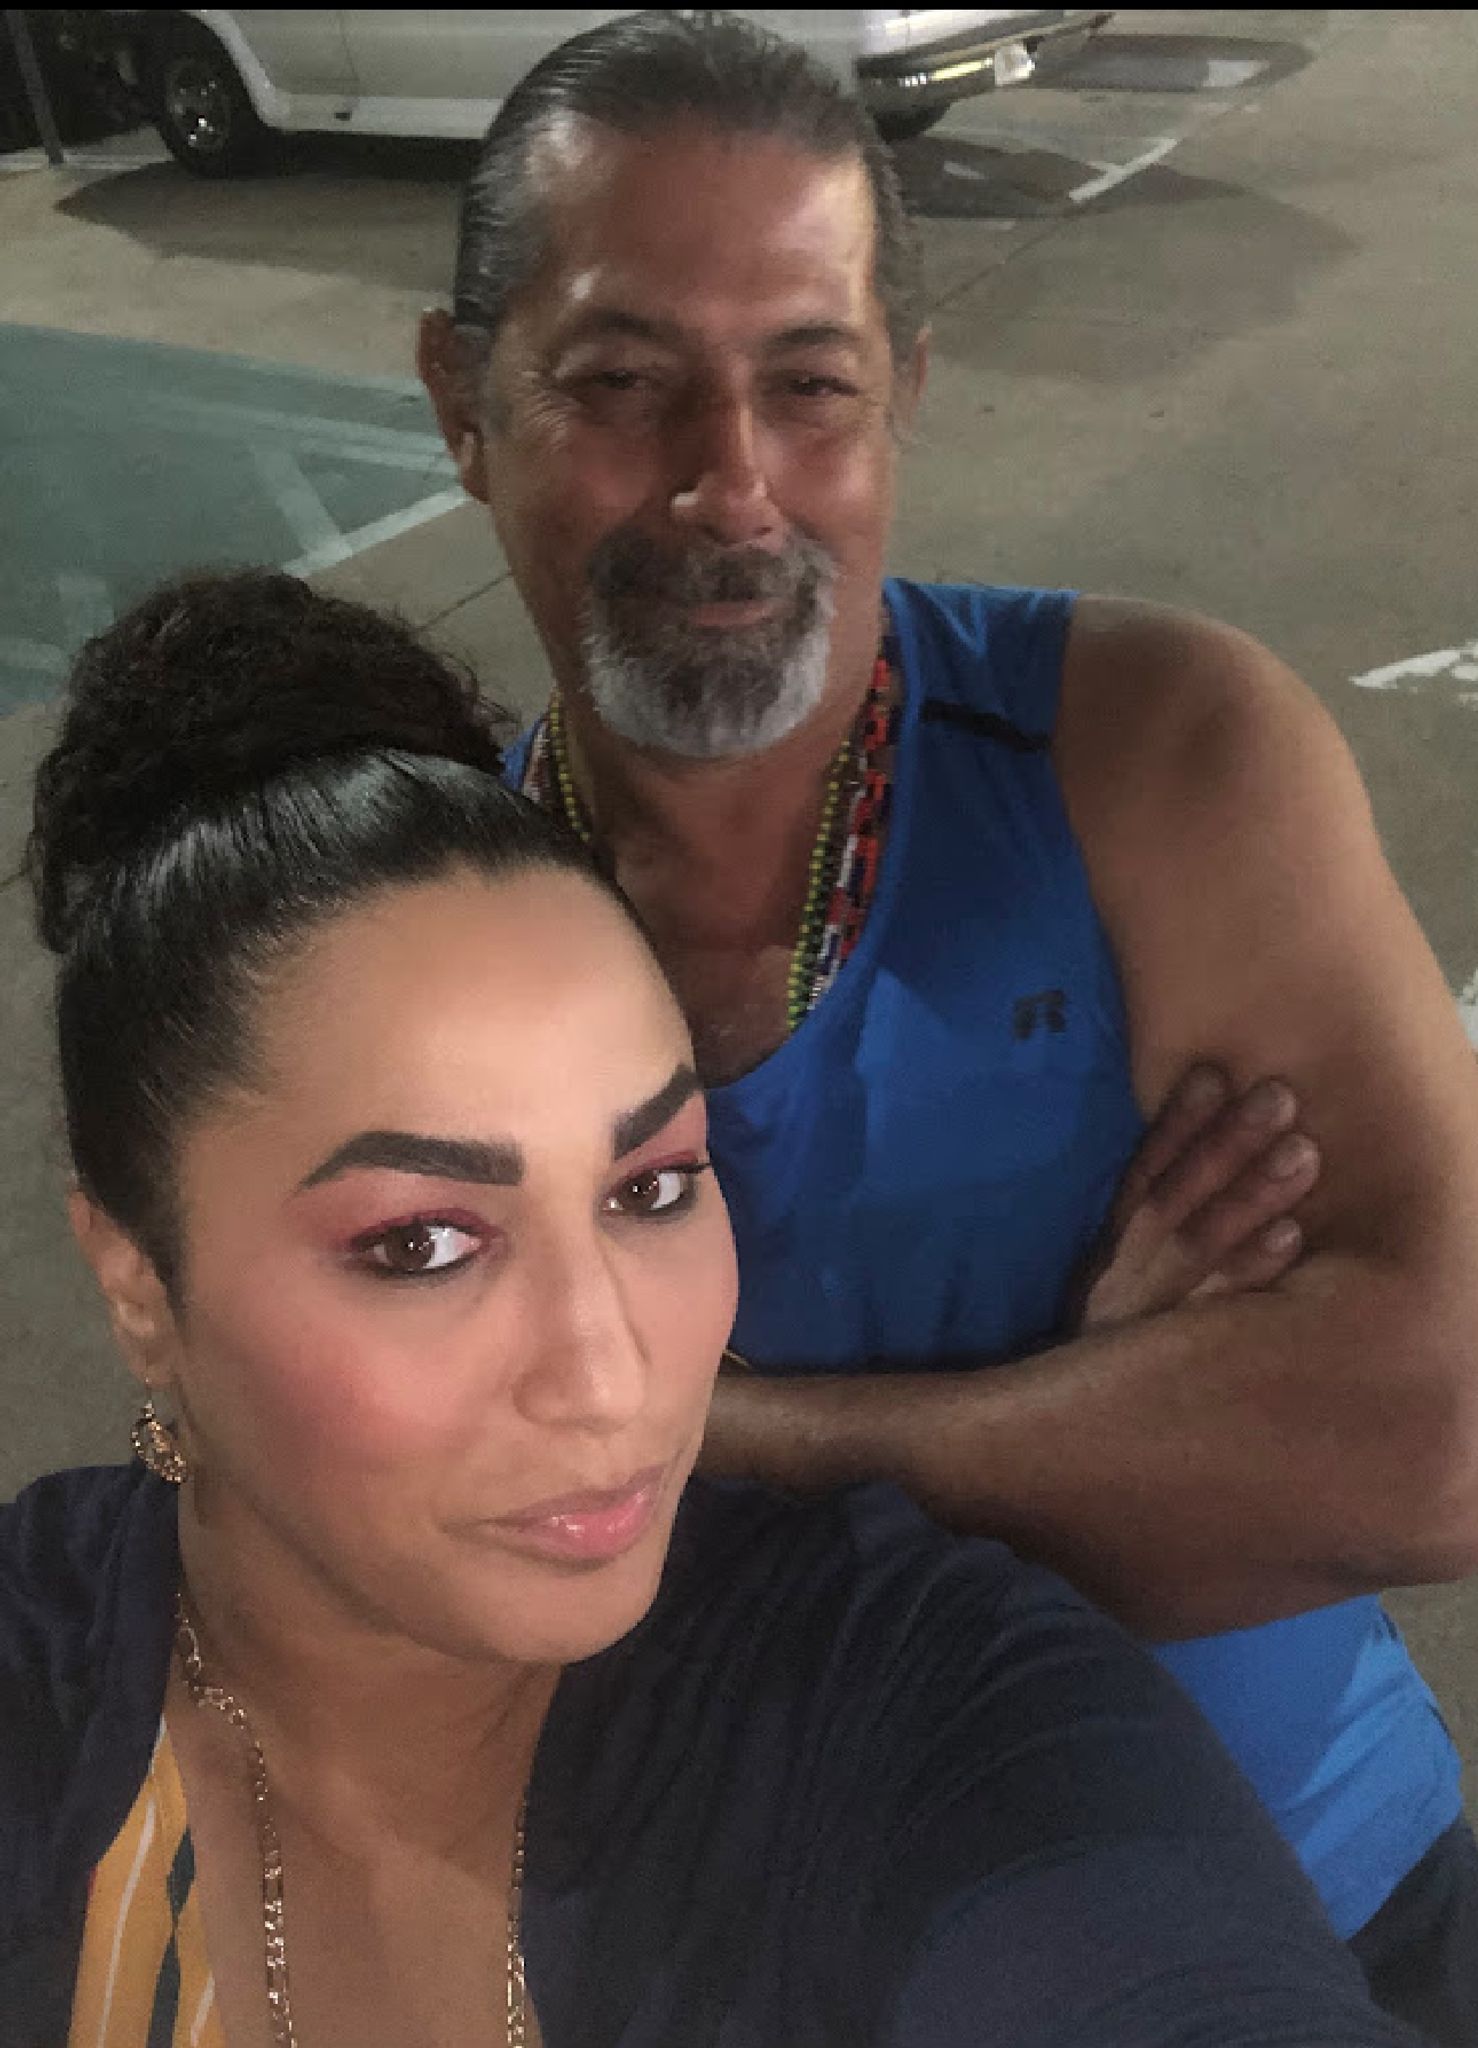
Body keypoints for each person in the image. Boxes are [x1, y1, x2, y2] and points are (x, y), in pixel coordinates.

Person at [414, 12, 1478, 2039]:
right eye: (621, 380)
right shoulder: (417, 932)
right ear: (463, 404)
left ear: (900, 393)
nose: (730, 485)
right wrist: (1105, 1420)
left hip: (1303, 1921)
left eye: (807, 384)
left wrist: (693, 1446)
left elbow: (1434, 1436)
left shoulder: (1149, 756)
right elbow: (385, 1553)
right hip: (751, 1957)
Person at [2, 570, 1428, 2048]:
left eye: (652, 1187)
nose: (612, 1376)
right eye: (423, 1243)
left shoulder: (910, 1709)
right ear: (137, 1281)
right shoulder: (40, 1684)